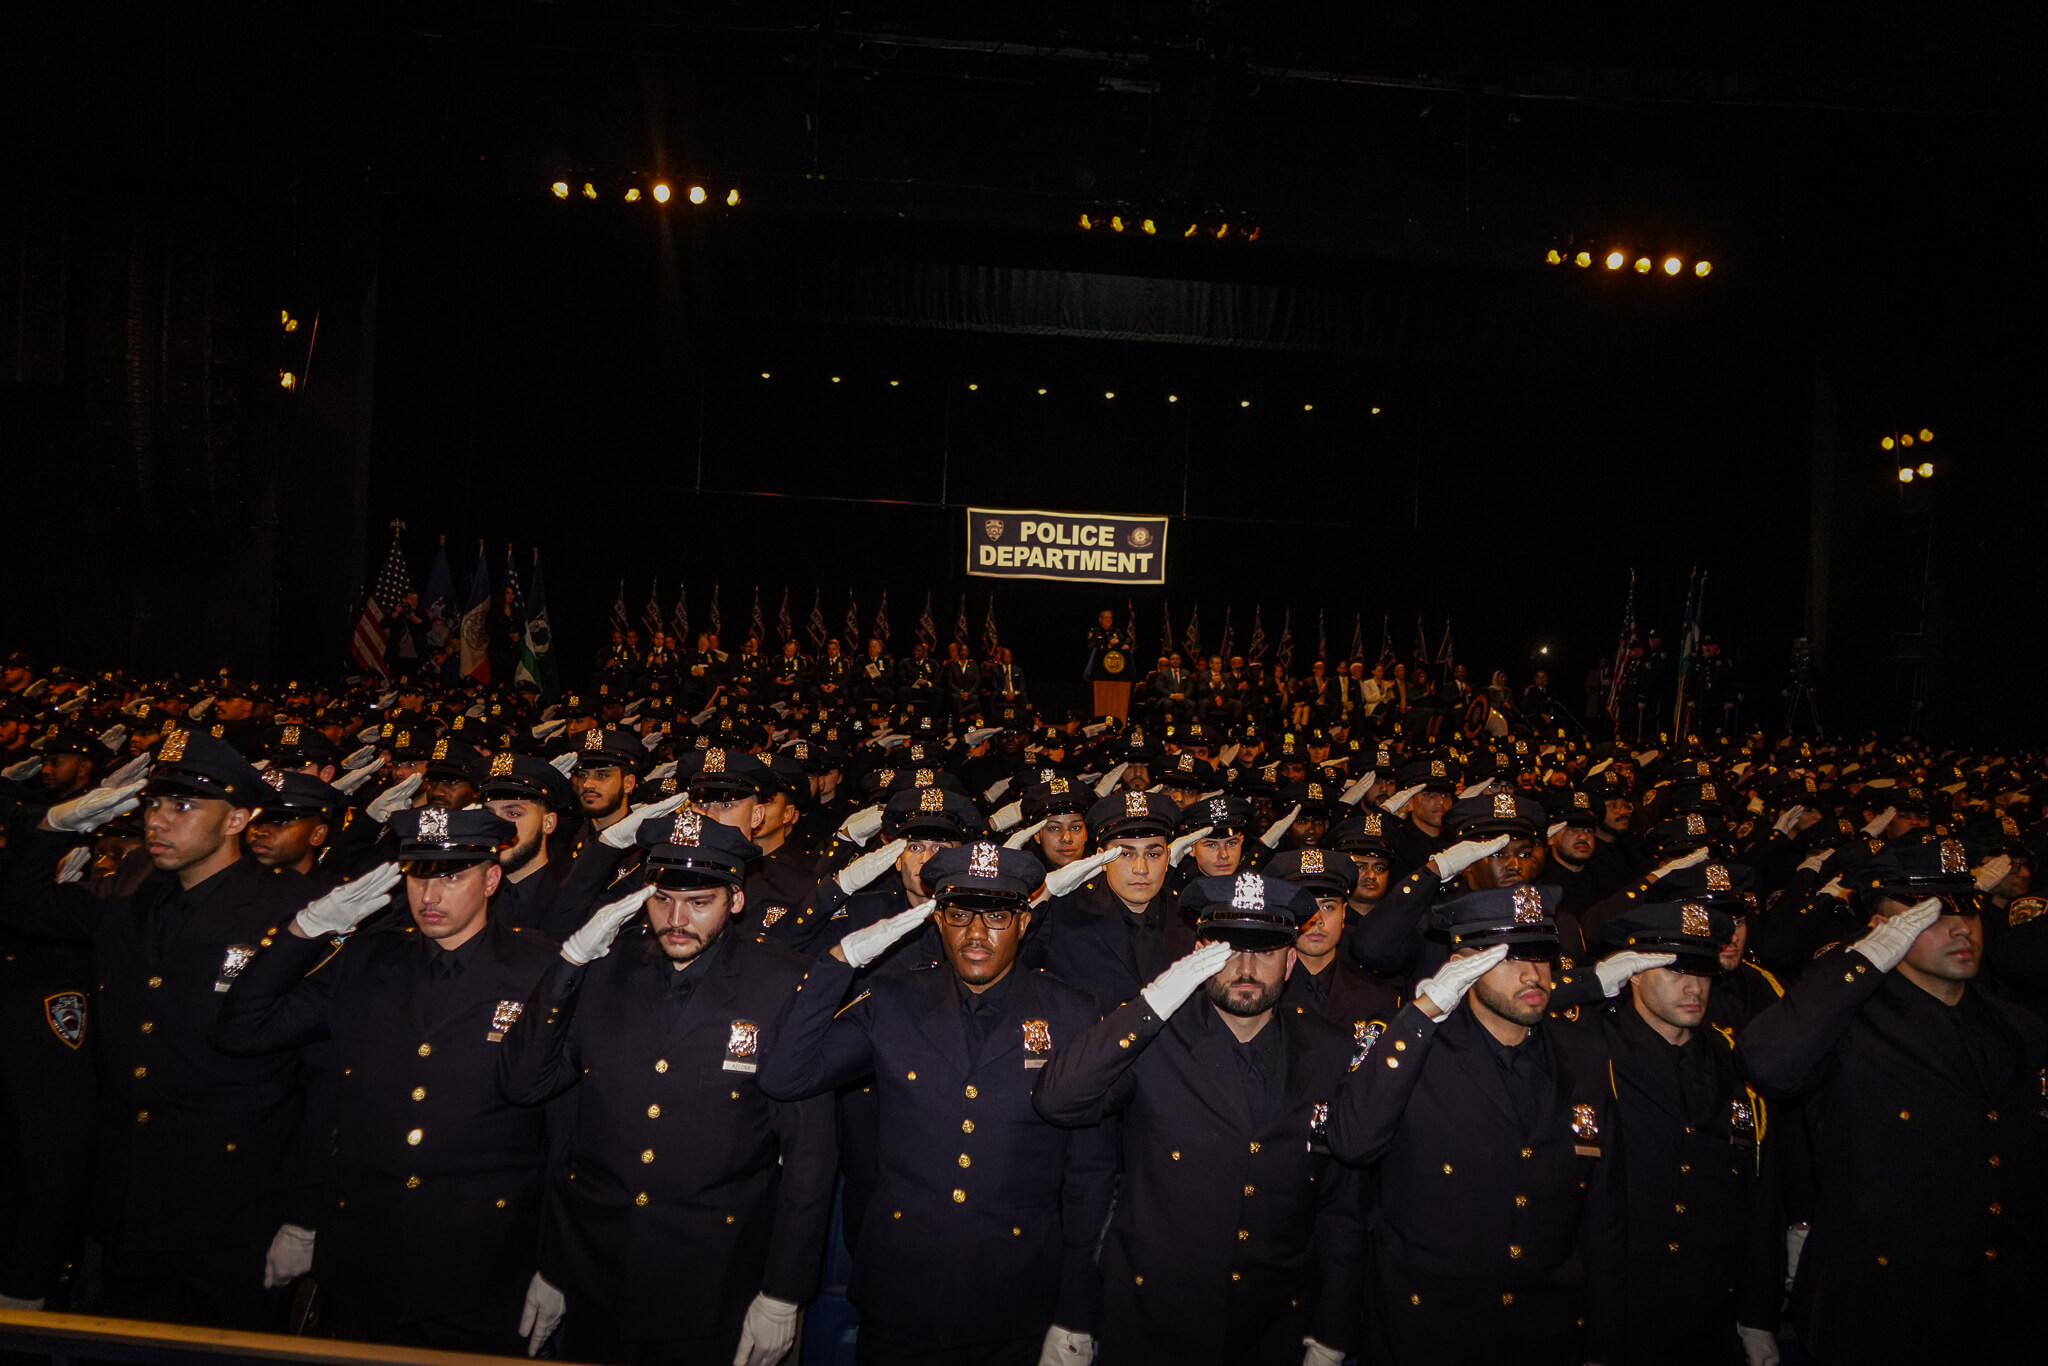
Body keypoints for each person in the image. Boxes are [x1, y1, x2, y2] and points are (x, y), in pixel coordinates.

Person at [211, 807, 559, 1352]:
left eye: (452, 875)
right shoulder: (368, 960)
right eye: (420, 874)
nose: (431, 895)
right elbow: (241, 1030)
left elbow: (563, 1129)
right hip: (365, 1253)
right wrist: (305, 930)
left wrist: (554, 1262)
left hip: (483, 1260)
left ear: (491, 878)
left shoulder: (539, 969)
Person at [0, 729, 316, 1329]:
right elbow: (19, 905)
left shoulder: (293, 909)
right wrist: (51, 828)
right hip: (127, 1193)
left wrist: (303, 1213)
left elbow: (318, 1074)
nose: (158, 821)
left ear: (238, 820)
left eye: (184, 805)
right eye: (154, 803)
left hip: (233, 1198)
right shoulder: (127, 896)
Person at [499, 811, 836, 1365]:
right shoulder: (602, 971)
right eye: (662, 899)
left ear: (735, 900)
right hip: (593, 1266)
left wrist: (783, 1292)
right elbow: (529, 1089)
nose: (678, 919)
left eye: (699, 901)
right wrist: (568, 963)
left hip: (716, 1275)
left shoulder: (782, 984)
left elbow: (810, 1154)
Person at [761, 841, 1116, 1366]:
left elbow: (1090, 1175)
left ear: (1024, 922)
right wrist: (841, 961)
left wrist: (1076, 1314)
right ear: (937, 921)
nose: (975, 934)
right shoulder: (892, 999)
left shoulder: (1071, 1012)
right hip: (900, 1294)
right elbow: (786, 1075)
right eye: (958, 914)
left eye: (996, 916)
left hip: (1016, 1296)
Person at [1032, 872, 1367, 1366]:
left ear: (1291, 960)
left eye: (1266, 951)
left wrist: (1330, 1335)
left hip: (1272, 1324)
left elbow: (1342, 1208)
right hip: (1152, 1322)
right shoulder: (1156, 1038)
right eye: (1229, 951)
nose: (1246, 968)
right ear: (1199, 956)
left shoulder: (1328, 1050)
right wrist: (1152, 1003)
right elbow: (1058, 1100)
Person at [1741, 841, 2047, 1362]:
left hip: (2000, 1306)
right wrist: (1863, 961)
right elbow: (1768, 1065)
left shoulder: (2018, 1027)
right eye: (1927, 913)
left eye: (1966, 909)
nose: (1959, 927)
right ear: (1883, 925)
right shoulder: (1844, 1021)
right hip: (1884, 1307)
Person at [1326, 885, 1625, 1365]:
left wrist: (1603, 1343)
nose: (1533, 975)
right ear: (1465, 963)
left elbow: (1604, 1212)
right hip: (1429, 1331)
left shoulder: (1584, 1052)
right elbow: (1353, 1142)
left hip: (1546, 1331)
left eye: (1543, 957)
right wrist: (1422, 1016)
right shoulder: (1412, 1047)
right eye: (1508, 958)